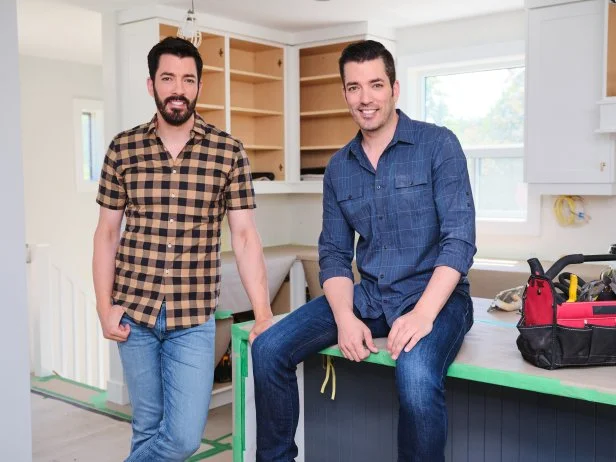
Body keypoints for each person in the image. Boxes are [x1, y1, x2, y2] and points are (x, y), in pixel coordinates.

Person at [251, 40, 476, 462]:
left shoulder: (438, 146)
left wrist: (423, 314)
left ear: (394, 88)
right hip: (370, 295)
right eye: (354, 87)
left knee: (414, 375)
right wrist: (345, 317)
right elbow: (334, 254)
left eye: (375, 84)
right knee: (267, 348)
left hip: (437, 299)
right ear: (345, 94)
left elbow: (459, 241)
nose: (365, 97)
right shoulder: (339, 167)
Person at [93, 37, 273, 462]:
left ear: (199, 87)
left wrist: (263, 311)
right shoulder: (123, 148)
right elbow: (106, 234)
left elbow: (245, 237)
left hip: (193, 318)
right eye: (168, 78)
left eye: (188, 79)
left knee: (183, 438)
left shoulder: (228, 152)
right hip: (133, 314)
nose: (178, 88)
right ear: (151, 83)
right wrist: (104, 306)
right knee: (148, 428)